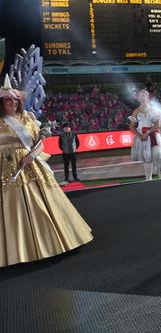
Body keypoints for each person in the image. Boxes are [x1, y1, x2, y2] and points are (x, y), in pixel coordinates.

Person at [0, 76, 92, 267]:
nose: (12, 102)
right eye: (8, 99)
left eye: (15, 99)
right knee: (12, 208)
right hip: (6, 168)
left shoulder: (28, 118)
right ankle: (18, 250)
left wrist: (31, 156)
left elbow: (39, 144)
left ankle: (57, 241)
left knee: (45, 203)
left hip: (30, 164)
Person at [129, 89, 161, 181]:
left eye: (143, 95)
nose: (141, 97)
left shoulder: (154, 110)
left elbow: (157, 125)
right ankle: (148, 179)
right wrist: (140, 135)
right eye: (140, 96)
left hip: (152, 135)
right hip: (141, 136)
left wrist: (148, 132)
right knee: (147, 159)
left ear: (147, 97)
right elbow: (132, 126)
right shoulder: (136, 111)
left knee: (156, 157)